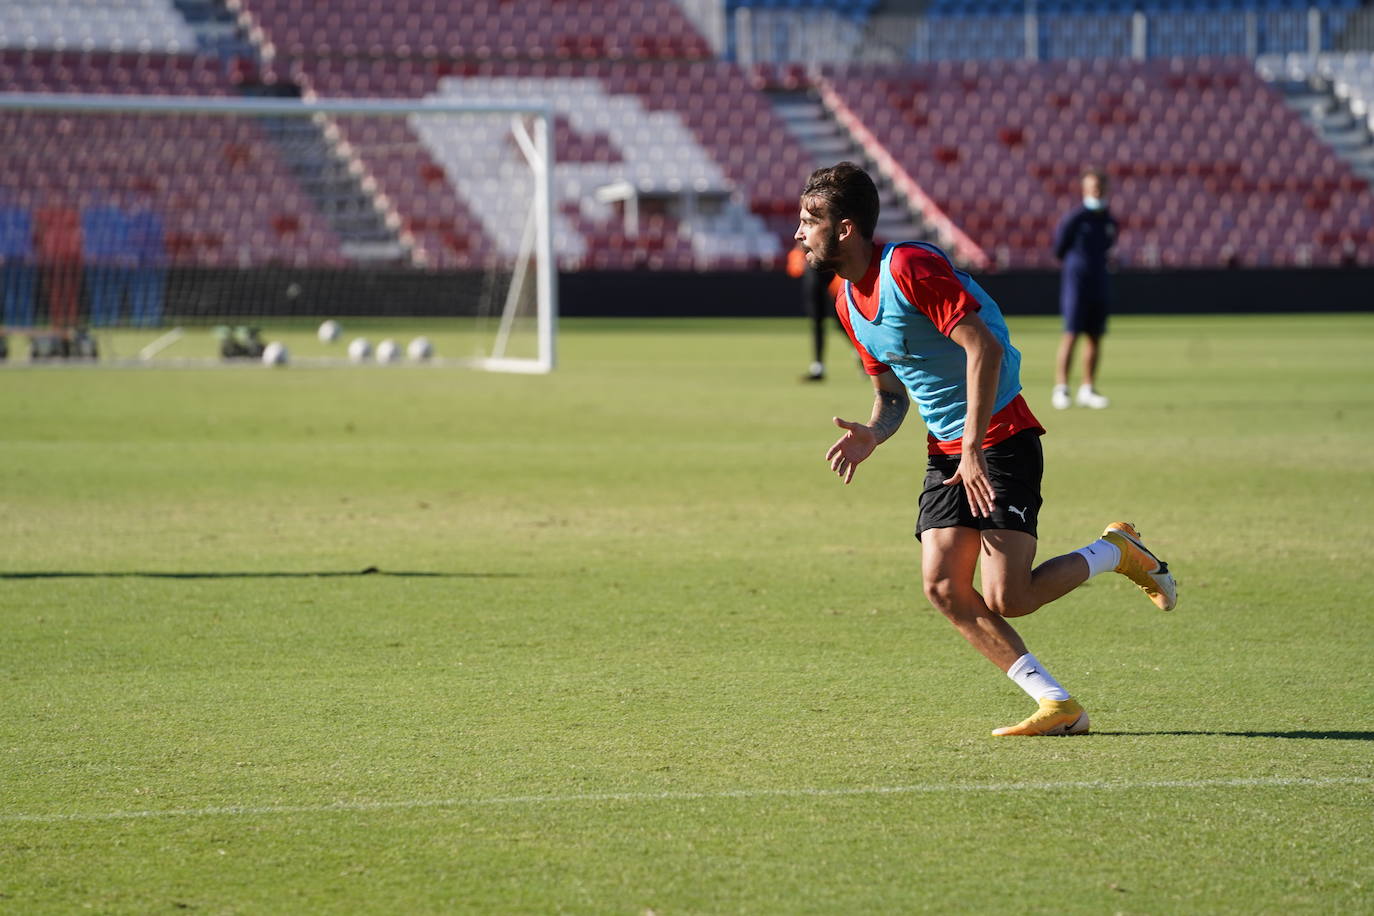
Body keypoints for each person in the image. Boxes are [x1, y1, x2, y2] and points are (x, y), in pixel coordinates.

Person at [797, 162, 1175, 737]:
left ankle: (1117, 551)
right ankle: (1058, 705)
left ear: (845, 229)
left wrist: (971, 446)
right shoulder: (845, 301)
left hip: (1002, 438)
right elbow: (891, 392)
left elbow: (984, 349)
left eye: (809, 220)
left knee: (1009, 597)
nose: (799, 233)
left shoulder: (910, 266)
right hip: (949, 451)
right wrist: (874, 431)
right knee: (944, 586)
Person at [1052, 168, 1118, 410]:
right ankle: (1061, 388)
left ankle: (1087, 388)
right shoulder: (1074, 219)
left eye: (1099, 188)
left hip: (1099, 282)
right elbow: (1058, 248)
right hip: (1076, 284)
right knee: (1071, 333)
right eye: (1091, 188)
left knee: (1095, 335)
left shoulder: (1109, 219)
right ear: (1084, 190)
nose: (1096, 192)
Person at [787, 240, 840, 381]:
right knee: (817, 320)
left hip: (833, 270)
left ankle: (862, 356)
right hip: (814, 269)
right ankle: (818, 366)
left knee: (841, 320)